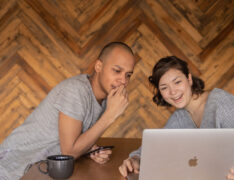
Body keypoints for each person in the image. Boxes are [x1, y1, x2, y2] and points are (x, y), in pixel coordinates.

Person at [119, 56, 234, 180]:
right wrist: (135, 159)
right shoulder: (180, 117)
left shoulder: (221, 103)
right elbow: (156, 147)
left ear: (189, 79)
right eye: (164, 87)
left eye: (177, 82)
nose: (173, 92)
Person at [0, 42, 136, 180]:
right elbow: (69, 152)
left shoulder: (107, 99)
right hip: (12, 169)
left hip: (42, 170)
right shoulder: (75, 90)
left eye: (128, 75)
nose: (123, 81)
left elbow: (72, 141)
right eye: (117, 71)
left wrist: (89, 150)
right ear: (98, 66)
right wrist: (109, 116)